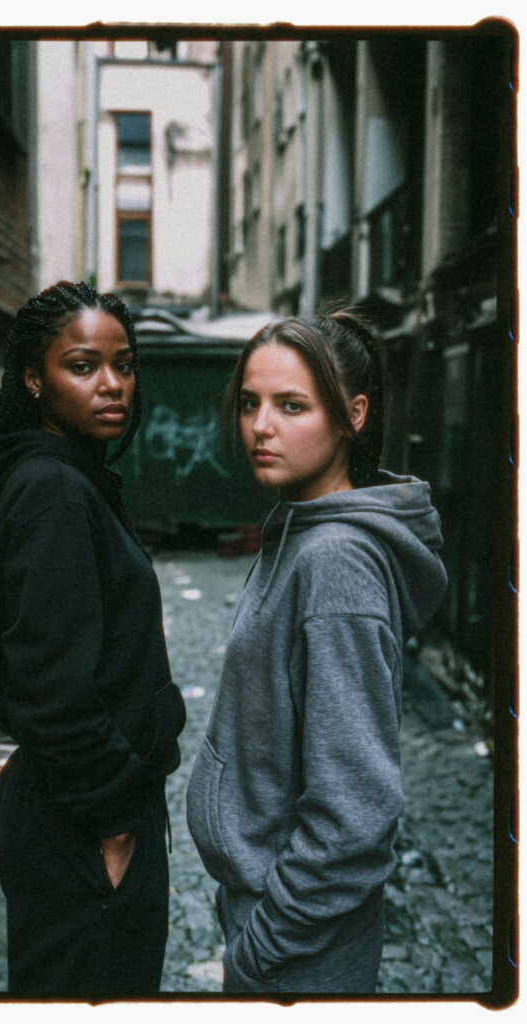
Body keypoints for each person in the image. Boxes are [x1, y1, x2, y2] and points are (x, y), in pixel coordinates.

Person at [186, 311, 448, 995]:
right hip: (272, 922)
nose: (259, 426)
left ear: (352, 415)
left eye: (291, 405)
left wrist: (260, 948)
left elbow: (355, 814)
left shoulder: (336, 564)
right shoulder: (298, 528)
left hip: (299, 954)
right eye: (250, 403)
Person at [0, 281, 186, 997]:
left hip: (83, 814)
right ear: (35, 378)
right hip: (82, 823)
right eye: (83, 365)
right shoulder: (54, 491)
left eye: (124, 363)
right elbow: (50, 685)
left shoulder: (75, 478)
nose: (113, 383)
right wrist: (117, 825)